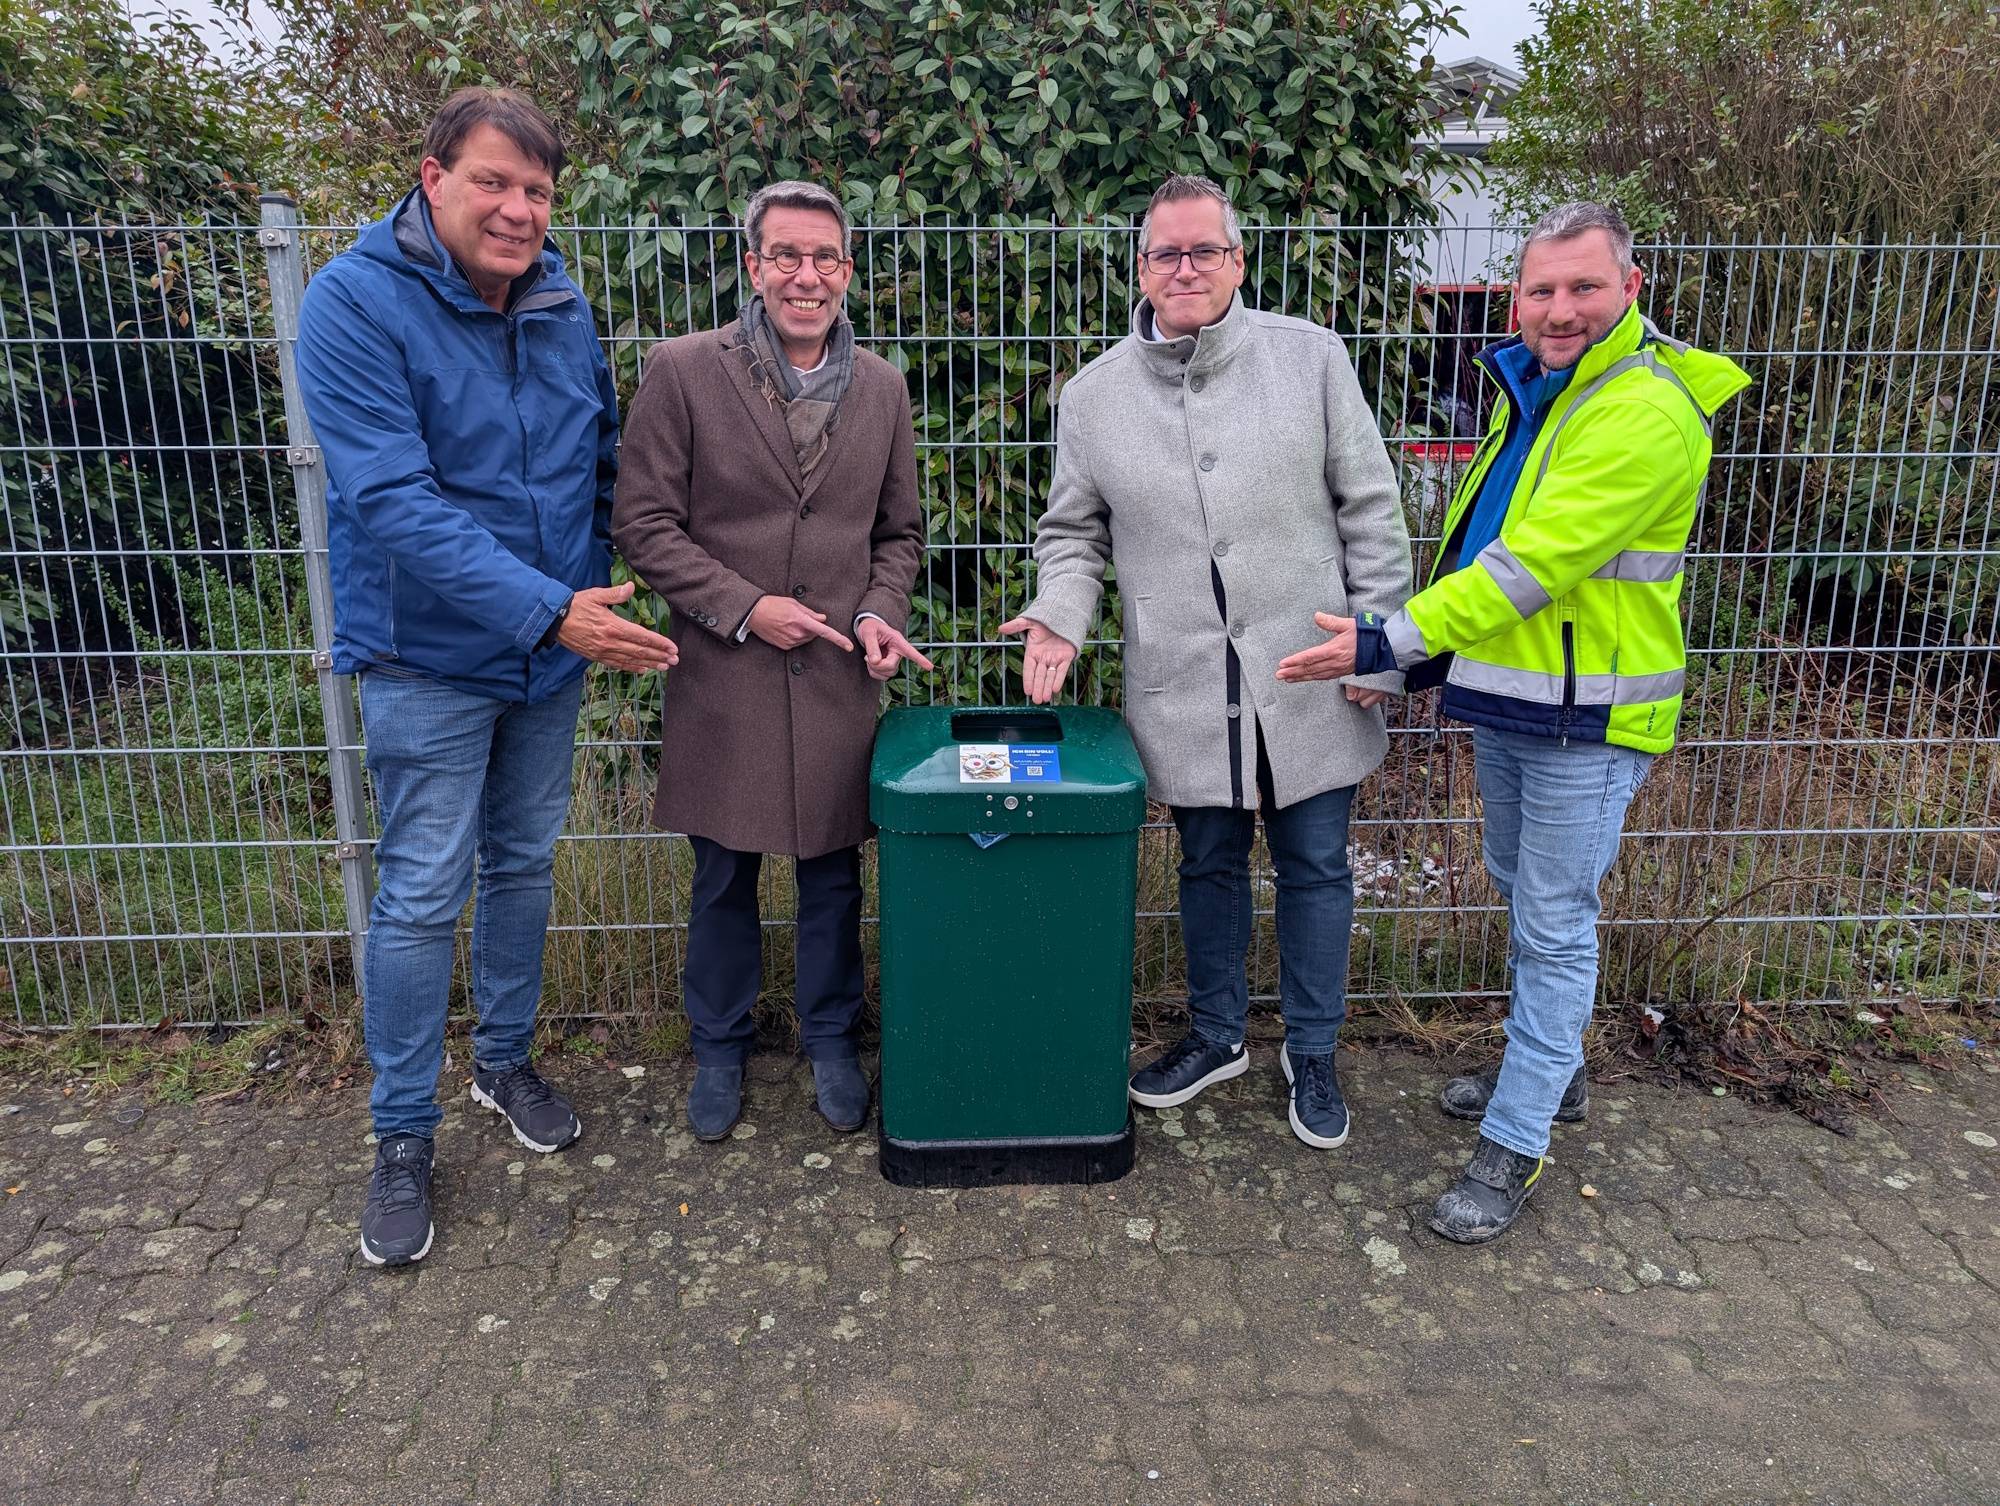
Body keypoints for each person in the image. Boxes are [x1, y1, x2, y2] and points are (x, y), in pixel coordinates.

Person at [1285, 201, 1750, 1242]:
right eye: (1539, 289)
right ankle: (1561, 1072)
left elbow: (1527, 569)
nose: (1558, 307)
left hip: (1587, 722)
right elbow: (1475, 550)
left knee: (1550, 924)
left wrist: (1385, 642)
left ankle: (1517, 1138)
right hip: (1505, 699)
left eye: (1582, 286)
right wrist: (1414, 664)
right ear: (1516, 299)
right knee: (1517, 886)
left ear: (1632, 289)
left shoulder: (1642, 412)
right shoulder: (1535, 394)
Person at [297, 88, 680, 1267]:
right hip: (430, 656)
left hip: (552, 647)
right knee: (419, 891)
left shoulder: (561, 302)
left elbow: (606, 459)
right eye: (494, 183)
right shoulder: (352, 304)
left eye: (538, 191)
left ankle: (503, 1061)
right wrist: (549, 611)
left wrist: (676, 570)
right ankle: (400, 1134)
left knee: (521, 861)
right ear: (432, 177)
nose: (519, 210)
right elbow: (391, 502)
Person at [1002, 174, 1412, 1150]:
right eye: (1163, 253)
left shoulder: (1308, 360)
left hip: (1311, 670)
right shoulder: (1092, 397)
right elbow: (1070, 534)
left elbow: (1371, 507)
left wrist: (1379, 641)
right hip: (1183, 684)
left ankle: (1310, 1049)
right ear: (1139, 268)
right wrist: (1060, 616)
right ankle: (1218, 1033)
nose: (1181, 268)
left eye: (1202, 251)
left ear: (1236, 260)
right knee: (1207, 863)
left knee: (1316, 864)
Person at [611, 180, 928, 1142]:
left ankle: (832, 1038)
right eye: (786, 256)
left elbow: (898, 534)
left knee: (833, 877)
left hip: (835, 676)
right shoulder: (682, 371)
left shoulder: (882, 385)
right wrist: (747, 607)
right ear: (752, 266)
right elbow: (643, 524)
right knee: (723, 876)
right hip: (726, 674)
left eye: (825, 258)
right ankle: (720, 1045)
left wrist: (878, 612)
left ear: (847, 270)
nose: (807, 275)